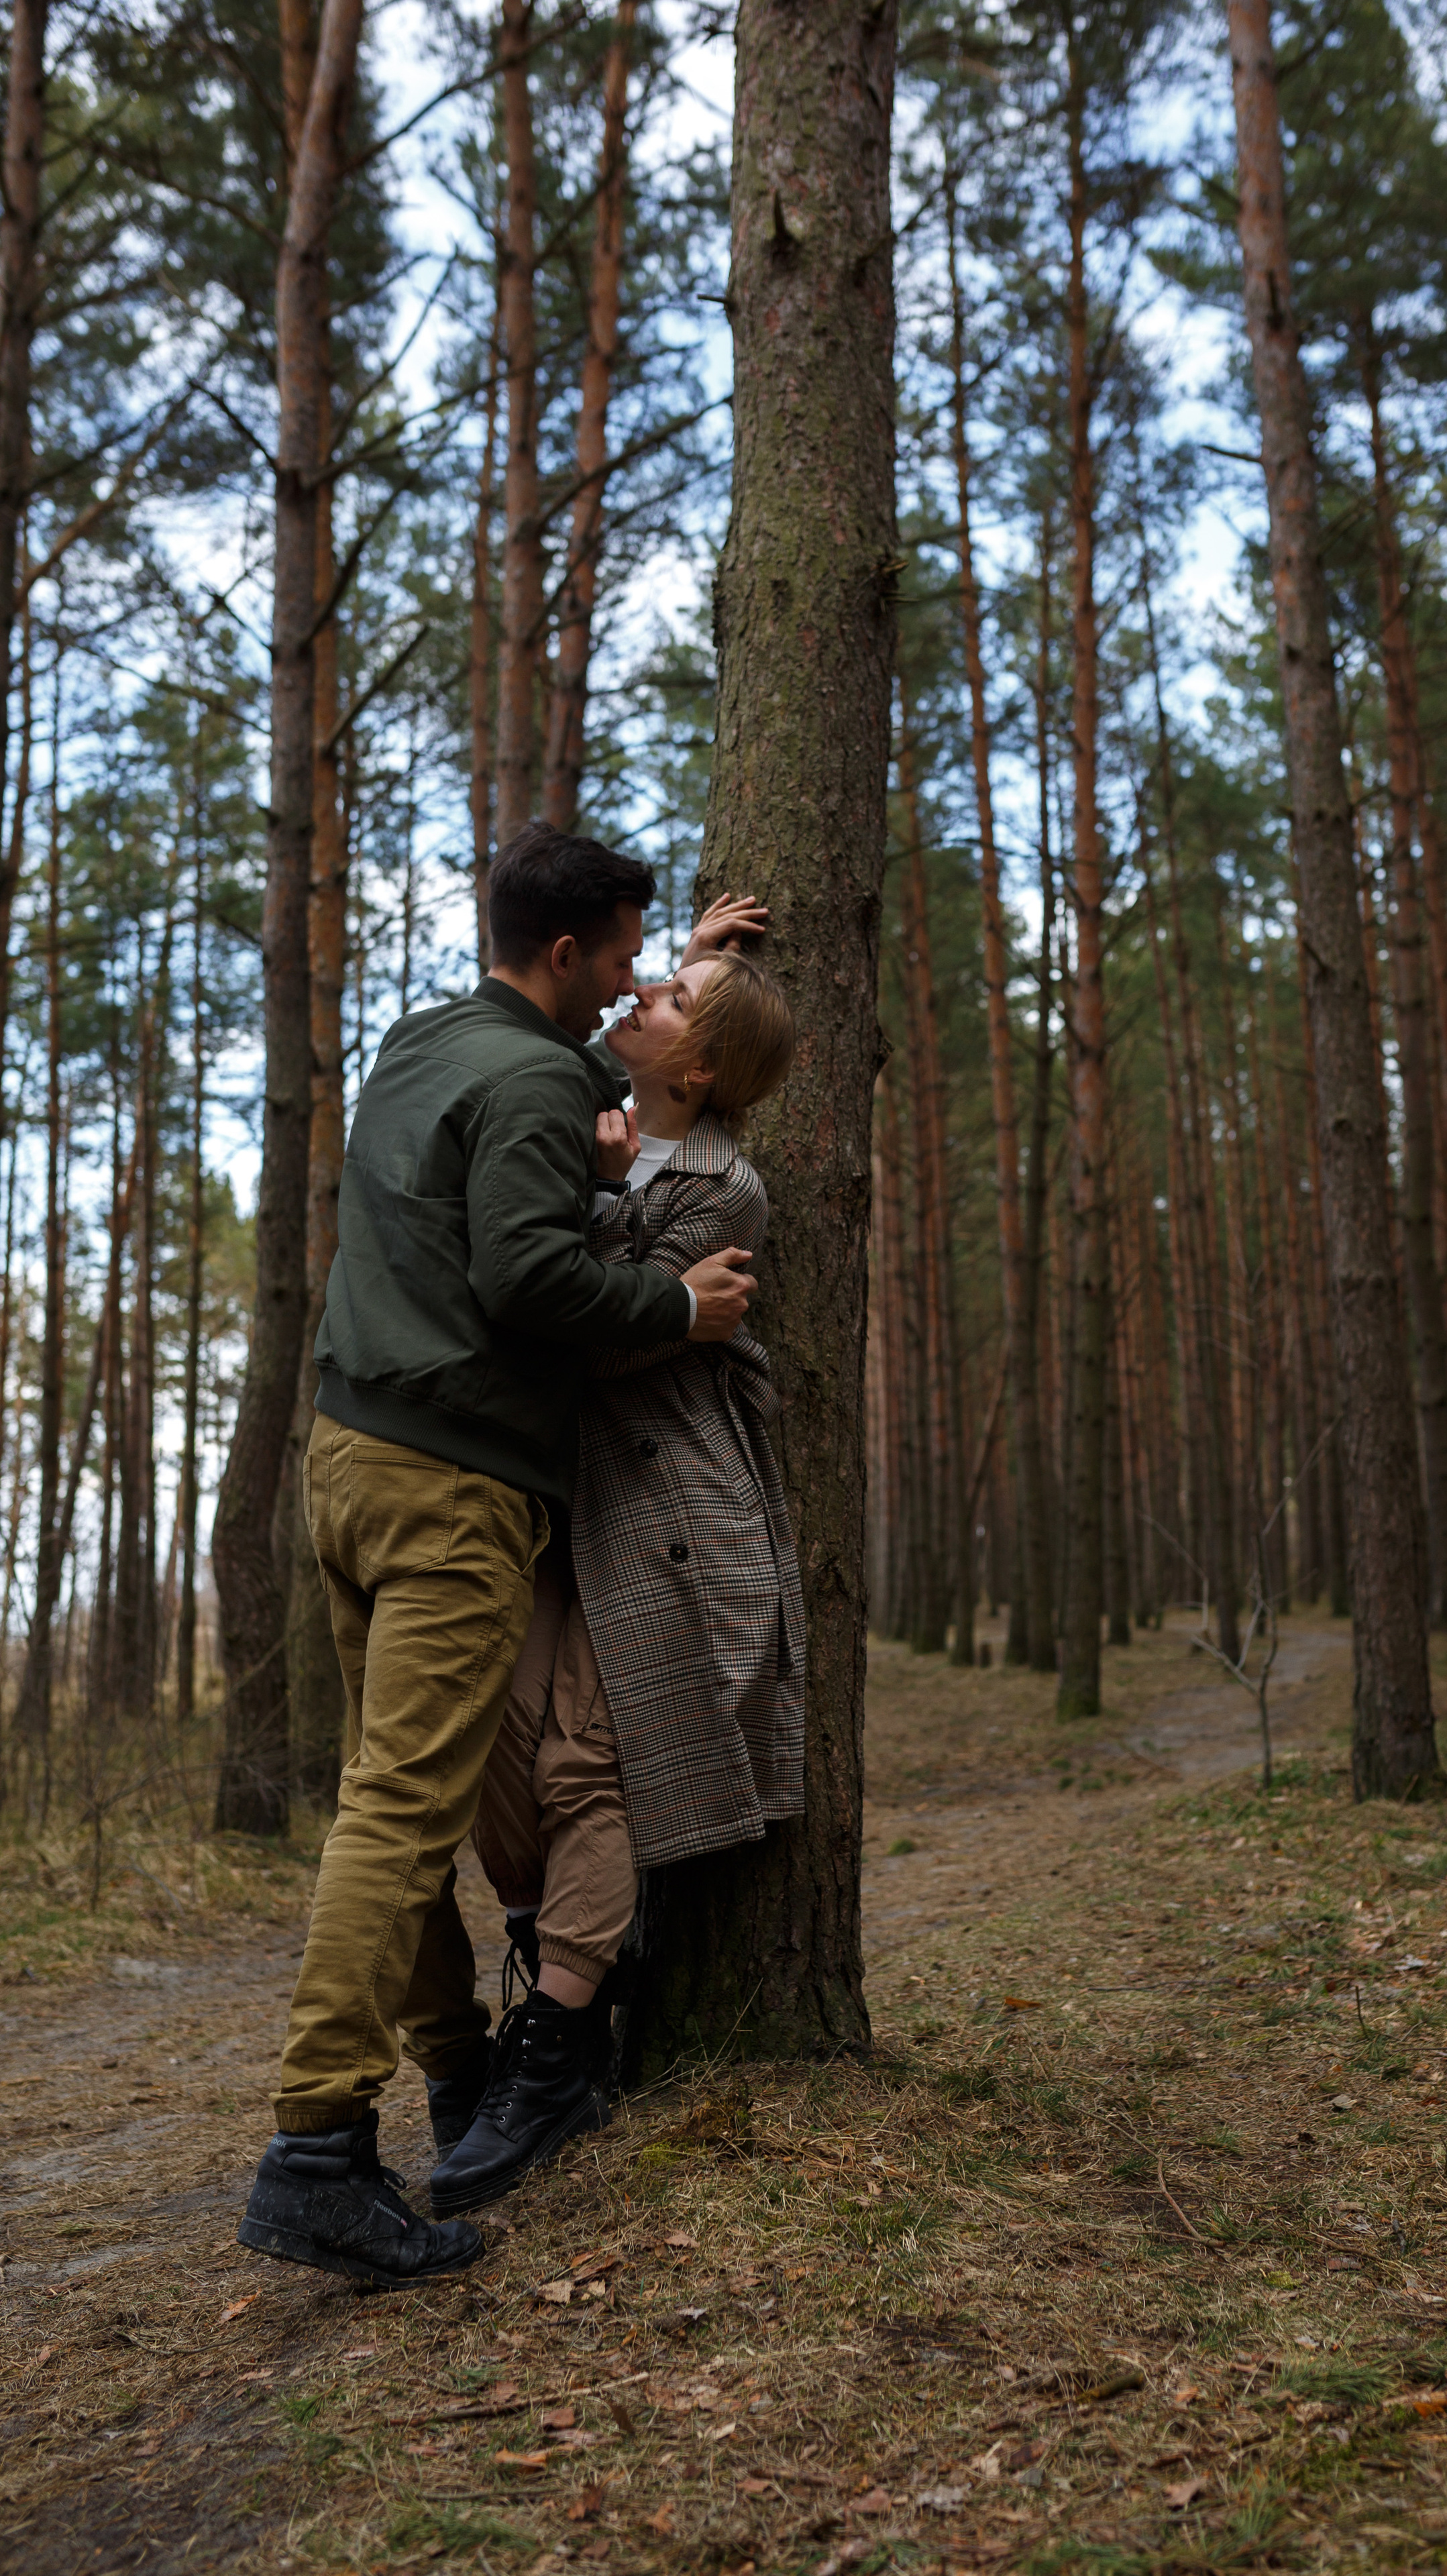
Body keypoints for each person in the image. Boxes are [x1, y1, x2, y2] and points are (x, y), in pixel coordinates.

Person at [237, 825, 757, 2290]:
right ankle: (318, 2153)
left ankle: (458, 2079)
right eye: (621, 959)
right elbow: (524, 1273)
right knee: (402, 1820)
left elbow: (529, 1103)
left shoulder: (432, 1038)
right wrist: (674, 1312)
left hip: (344, 1461)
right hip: (454, 1486)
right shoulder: (541, 1079)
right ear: (562, 953)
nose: (630, 983)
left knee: (378, 1798)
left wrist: (672, 1001)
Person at [426, 935, 806, 2215]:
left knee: (594, 1759)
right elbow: (593, 1028)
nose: (636, 996)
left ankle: (557, 2053)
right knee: (497, 1741)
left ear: (695, 1070)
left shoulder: (726, 1189)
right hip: (539, 1491)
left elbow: (604, 1343)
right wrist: (701, 952)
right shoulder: (583, 1105)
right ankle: (559, 1960)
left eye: (670, 998)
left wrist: (583, 1220)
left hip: (661, 1499)